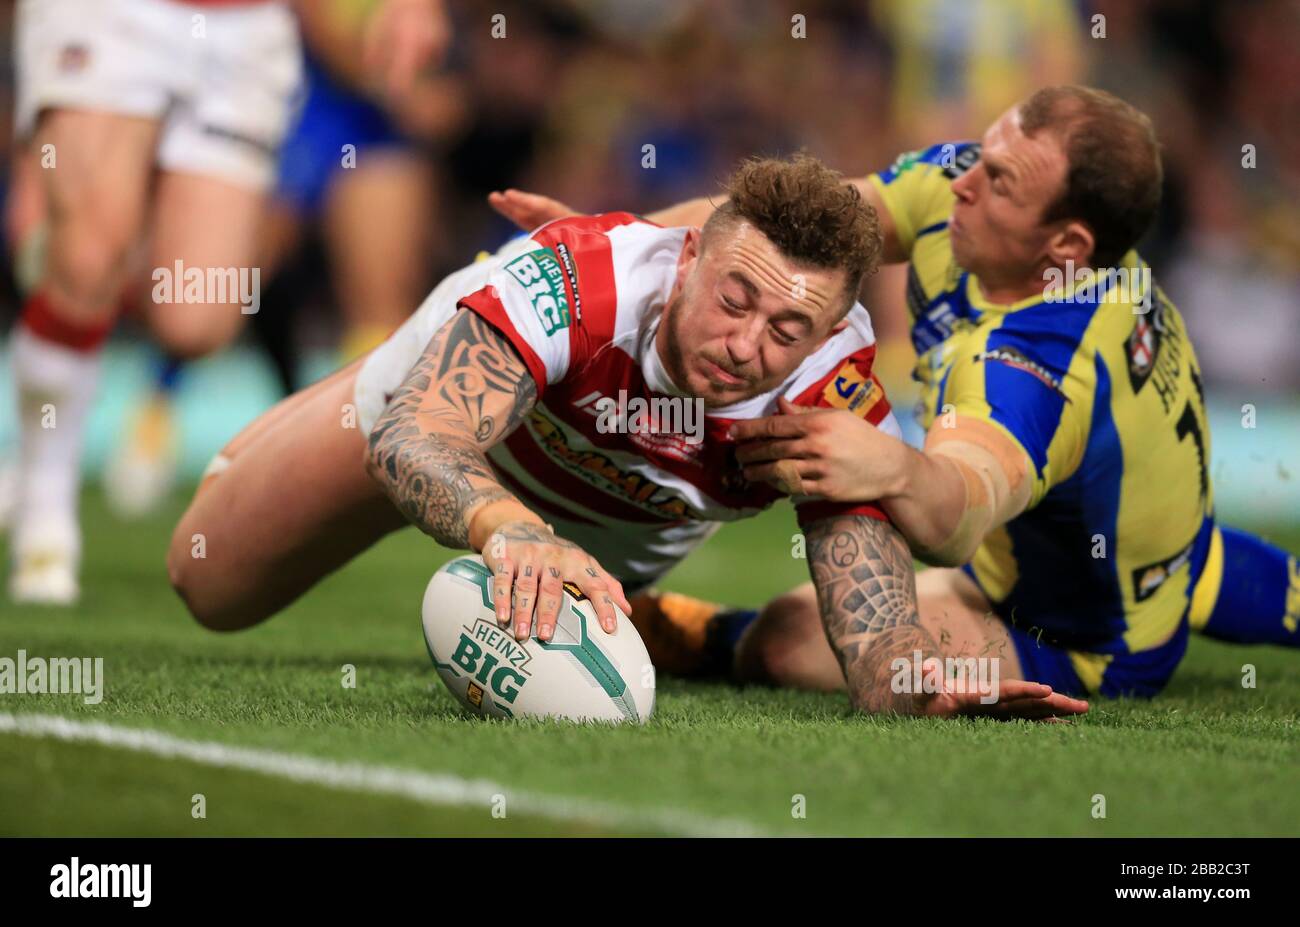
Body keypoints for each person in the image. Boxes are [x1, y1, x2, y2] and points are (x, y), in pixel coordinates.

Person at [168, 154, 1087, 720]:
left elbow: (879, 642)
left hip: (619, 538)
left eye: (786, 330)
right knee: (207, 582)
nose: (743, 345)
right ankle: (319, 405)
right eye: (734, 298)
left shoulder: (825, 401)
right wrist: (508, 526)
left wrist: (930, 683)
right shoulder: (582, 280)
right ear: (687, 258)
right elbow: (418, 435)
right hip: (458, 436)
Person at [490, 85, 1299, 699]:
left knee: (788, 638)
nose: (965, 180)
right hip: (1177, 547)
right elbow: (781, 227)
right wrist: (628, 244)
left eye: (1001, 180)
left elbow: (957, 516)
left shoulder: (1042, 364)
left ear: (1067, 244)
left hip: (1080, 624)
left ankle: (676, 631)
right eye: (985, 153)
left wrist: (895, 467)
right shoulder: (971, 200)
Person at [6, 0, 445, 602]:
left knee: (198, 317)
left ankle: (79, 245)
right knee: (89, 253)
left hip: (244, 27)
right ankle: (45, 511)